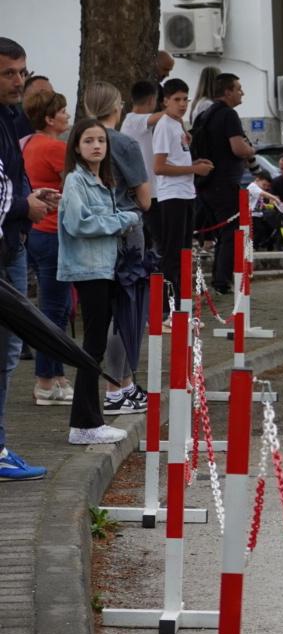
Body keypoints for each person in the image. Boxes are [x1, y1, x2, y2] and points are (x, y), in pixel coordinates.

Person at [57, 118, 142, 446]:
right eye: (89, 140)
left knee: (96, 345)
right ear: (76, 146)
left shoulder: (102, 180)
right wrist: (124, 219)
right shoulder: (76, 181)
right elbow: (79, 224)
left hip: (106, 269)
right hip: (88, 270)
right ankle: (84, 423)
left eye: (101, 141)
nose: (96, 146)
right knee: (92, 347)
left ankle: (88, 421)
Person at [0, 36, 54, 481]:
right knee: (4, 351)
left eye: (22, 71)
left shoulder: (10, 116)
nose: (19, 81)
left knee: (9, 349)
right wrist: (24, 207)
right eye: (8, 73)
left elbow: (8, 182)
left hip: (13, 243)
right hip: (6, 245)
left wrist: (30, 197)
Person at [85, 80, 154, 416]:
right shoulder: (123, 143)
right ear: (117, 107)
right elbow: (144, 198)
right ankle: (117, 388)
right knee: (126, 310)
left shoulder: (80, 139)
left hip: (91, 231)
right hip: (125, 230)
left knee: (105, 309)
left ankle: (123, 384)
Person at [21, 87, 72, 405]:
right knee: (55, 308)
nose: (68, 115)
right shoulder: (54, 147)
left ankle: (56, 375)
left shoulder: (26, 143)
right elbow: (74, 184)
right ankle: (45, 380)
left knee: (54, 306)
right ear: (51, 118)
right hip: (52, 231)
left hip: (34, 232)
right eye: (63, 111)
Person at [150, 78, 213, 311]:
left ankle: (181, 304)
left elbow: (177, 160)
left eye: (185, 99)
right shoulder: (165, 125)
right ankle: (167, 308)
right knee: (173, 253)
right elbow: (159, 167)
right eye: (176, 100)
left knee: (185, 251)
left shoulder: (178, 124)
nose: (182, 104)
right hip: (172, 196)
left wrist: (194, 163)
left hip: (186, 193)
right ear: (165, 101)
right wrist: (194, 169)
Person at [192, 72, 254, 294]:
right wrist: (251, 150)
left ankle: (220, 278)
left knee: (220, 233)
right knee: (231, 231)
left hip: (205, 182)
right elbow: (238, 147)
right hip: (224, 182)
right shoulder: (228, 115)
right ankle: (222, 281)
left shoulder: (204, 114)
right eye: (238, 88)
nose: (242, 92)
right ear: (227, 92)